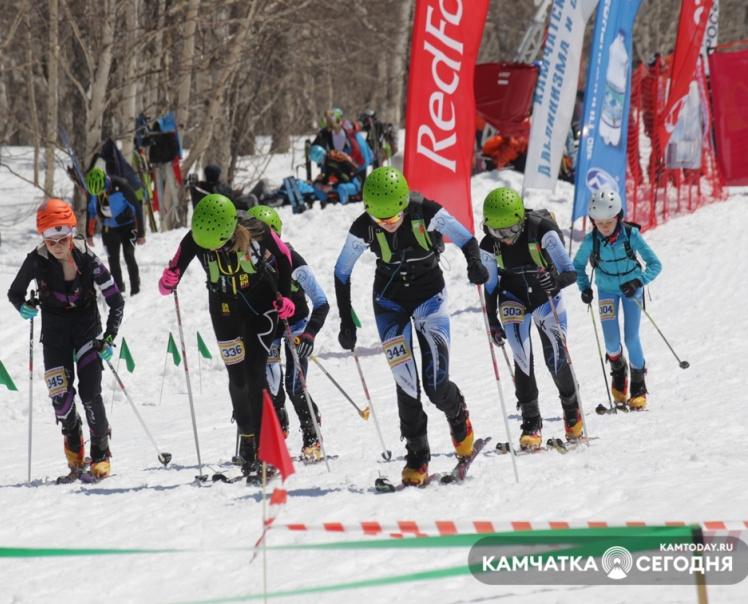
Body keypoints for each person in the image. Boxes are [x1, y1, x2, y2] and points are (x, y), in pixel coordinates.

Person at [333, 167, 489, 486]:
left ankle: (458, 416)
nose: (389, 223)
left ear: (404, 203)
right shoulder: (363, 226)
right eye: (381, 219)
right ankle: (417, 455)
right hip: (389, 303)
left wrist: (474, 264)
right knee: (405, 382)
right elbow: (341, 272)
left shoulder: (426, 211)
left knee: (435, 384)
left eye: (394, 216)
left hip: (430, 297)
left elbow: (467, 239)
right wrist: (346, 320)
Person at [158, 194, 294, 476]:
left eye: (219, 244)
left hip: (261, 304)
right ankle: (247, 438)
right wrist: (168, 280)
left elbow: (284, 256)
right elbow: (174, 271)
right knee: (238, 378)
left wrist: (286, 294)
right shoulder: (197, 235)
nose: (214, 249)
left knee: (257, 372)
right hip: (223, 308)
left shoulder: (255, 227)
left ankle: (266, 446)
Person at [7, 199, 124, 480]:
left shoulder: (88, 259)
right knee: (61, 398)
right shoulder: (35, 260)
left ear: (72, 234)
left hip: (86, 330)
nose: (57, 246)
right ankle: (75, 452)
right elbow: (14, 293)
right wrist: (24, 307)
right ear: (43, 239)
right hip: (56, 332)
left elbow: (116, 300)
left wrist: (108, 337)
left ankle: (100, 454)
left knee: (90, 393)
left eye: (63, 239)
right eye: (51, 241)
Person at [480, 187, 580, 451]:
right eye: (498, 232)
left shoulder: (542, 230)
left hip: (545, 295)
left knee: (556, 358)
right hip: (512, 295)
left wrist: (555, 281)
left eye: (511, 230)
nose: (506, 238)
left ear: (521, 220)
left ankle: (572, 412)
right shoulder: (488, 245)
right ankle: (530, 423)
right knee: (521, 356)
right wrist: (492, 321)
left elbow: (570, 272)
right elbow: (490, 287)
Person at [249, 205, 330, 461]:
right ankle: (278, 423)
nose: (257, 248)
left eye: (262, 240)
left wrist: (309, 334)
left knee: (295, 384)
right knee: (269, 380)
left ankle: (312, 434)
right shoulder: (246, 262)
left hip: (296, 324)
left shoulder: (294, 261)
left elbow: (321, 302)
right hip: (269, 325)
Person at [573, 188, 662, 410]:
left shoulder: (631, 235)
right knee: (612, 342)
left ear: (619, 217)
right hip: (606, 291)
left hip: (632, 290)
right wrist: (584, 288)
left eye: (609, 222)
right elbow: (577, 266)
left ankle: (639, 387)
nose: (604, 227)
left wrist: (637, 282)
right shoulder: (591, 240)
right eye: (598, 222)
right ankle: (619, 372)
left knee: (631, 338)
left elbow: (655, 265)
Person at [85, 167, 147, 296]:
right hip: (108, 228)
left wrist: (141, 233)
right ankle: (118, 288)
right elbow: (91, 211)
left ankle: (135, 287)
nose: (100, 193)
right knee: (113, 259)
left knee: (128, 255)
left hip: (127, 226)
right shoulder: (92, 191)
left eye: (102, 190)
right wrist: (89, 233)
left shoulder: (121, 186)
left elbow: (136, 207)